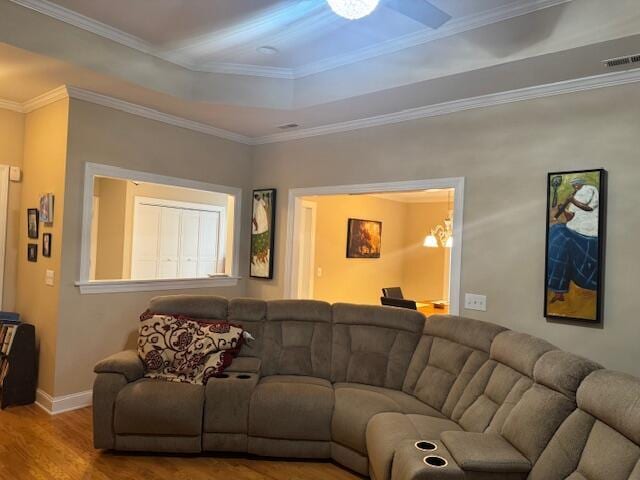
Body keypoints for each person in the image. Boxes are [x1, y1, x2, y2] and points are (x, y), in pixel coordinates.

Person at [547, 177, 599, 303]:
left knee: (559, 235)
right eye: (574, 185)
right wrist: (563, 209)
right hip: (575, 228)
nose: (575, 187)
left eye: (576, 185)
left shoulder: (590, 191)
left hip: (589, 233)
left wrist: (573, 201)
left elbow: (588, 208)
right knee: (556, 231)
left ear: (580, 184)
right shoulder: (576, 195)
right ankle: (558, 290)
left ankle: (558, 288)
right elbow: (570, 217)